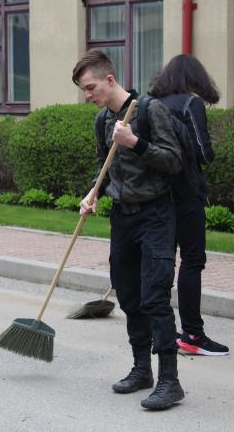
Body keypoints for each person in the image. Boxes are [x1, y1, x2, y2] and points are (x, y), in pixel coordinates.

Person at [73, 50, 185, 410]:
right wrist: (93, 193)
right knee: (129, 295)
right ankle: (142, 369)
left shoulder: (150, 110)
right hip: (122, 218)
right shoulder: (103, 121)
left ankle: (170, 380)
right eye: (83, 91)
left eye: (90, 87)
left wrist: (136, 143)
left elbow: (174, 161)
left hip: (155, 215)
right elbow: (104, 171)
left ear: (109, 80)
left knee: (154, 296)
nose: (88, 96)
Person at [148, 54, 228, 356]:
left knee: (162, 261)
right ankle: (193, 335)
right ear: (195, 78)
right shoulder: (189, 104)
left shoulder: (152, 104)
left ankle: (162, 333)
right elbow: (204, 153)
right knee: (192, 261)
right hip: (186, 195)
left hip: (157, 197)